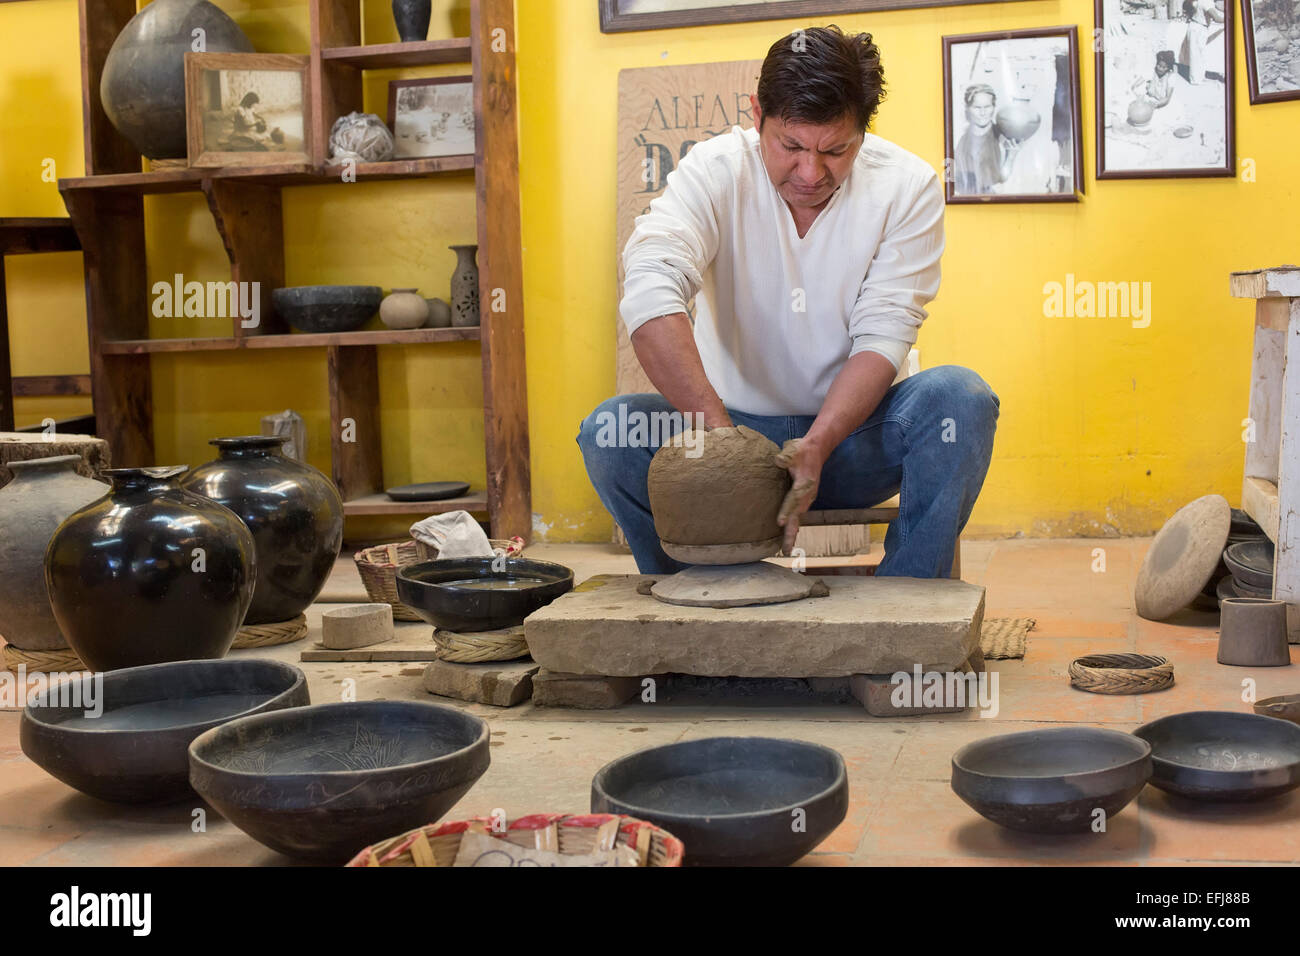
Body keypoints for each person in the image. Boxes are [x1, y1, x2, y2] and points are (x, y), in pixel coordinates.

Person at [577, 26, 999, 579]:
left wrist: (819, 444)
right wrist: (724, 446)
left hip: (855, 441)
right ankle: (693, 593)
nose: (810, 173)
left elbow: (884, 333)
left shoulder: (908, 185)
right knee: (610, 432)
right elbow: (651, 287)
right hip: (727, 428)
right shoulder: (714, 171)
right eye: (792, 145)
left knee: (961, 400)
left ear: (863, 132)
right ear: (758, 115)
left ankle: (908, 604)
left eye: (835, 150)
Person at [953, 84, 1015, 195]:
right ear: (967, 108)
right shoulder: (960, 141)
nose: (983, 113)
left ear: (994, 107)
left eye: (987, 107)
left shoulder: (1004, 137)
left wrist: (1011, 156)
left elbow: (1004, 179)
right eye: (977, 107)